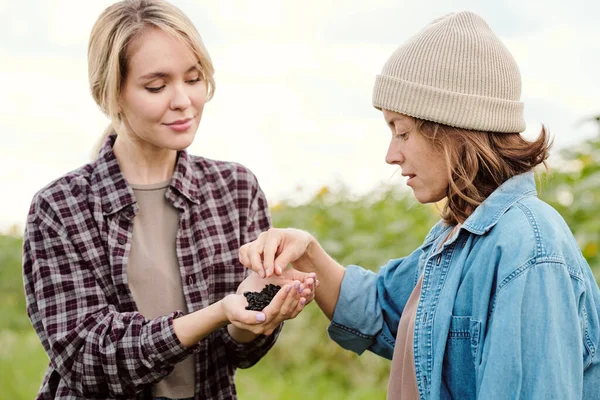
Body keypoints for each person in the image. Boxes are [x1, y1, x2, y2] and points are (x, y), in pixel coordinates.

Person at [239, 11, 600, 399]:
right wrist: (307, 252)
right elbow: (383, 311)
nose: (391, 155)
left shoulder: (527, 248)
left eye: (403, 131)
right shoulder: (460, 237)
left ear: (453, 130)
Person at [22, 1, 316, 399]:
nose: (183, 101)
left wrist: (254, 316)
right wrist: (215, 313)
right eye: (156, 87)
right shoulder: (60, 209)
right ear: (111, 94)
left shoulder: (236, 189)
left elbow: (240, 350)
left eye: (193, 79)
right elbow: (86, 360)